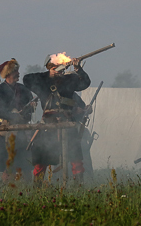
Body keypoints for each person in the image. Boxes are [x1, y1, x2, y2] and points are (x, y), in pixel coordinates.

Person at [23, 55, 91, 184]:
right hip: (49, 124)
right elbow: (26, 79)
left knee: (76, 159)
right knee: (41, 160)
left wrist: (78, 68)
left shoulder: (69, 79)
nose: (60, 70)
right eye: (56, 68)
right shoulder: (43, 81)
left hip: (67, 122)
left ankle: (78, 187)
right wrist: (50, 73)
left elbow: (85, 83)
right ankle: (37, 189)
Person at [0, 58, 35, 181]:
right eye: (15, 71)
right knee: (8, 165)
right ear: (8, 73)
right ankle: (7, 192)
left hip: (23, 130)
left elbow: (31, 106)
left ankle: (28, 190)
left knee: (26, 165)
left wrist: (31, 107)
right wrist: (13, 115)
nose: (18, 74)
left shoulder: (23, 89)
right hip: (7, 131)